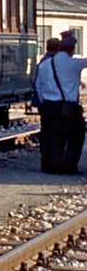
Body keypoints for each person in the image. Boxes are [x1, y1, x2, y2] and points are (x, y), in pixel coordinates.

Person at [33, 30, 87, 174]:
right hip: (69, 108)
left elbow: (38, 86)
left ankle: (52, 165)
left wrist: (44, 103)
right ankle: (69, 166)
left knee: (52, 137)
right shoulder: (74, 63)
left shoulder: (44, 65)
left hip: (49, 106)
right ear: (71, 49)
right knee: (75, 136)